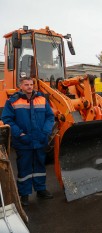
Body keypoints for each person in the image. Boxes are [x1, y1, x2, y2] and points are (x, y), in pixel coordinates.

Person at [1, 75, 55, 206]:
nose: (29, 87)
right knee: (24, 168)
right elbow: (7, 119)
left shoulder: (42, 99)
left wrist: (45, 132)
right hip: (23, 141)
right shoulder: (12, 101)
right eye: (26, 84)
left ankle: (41, 190)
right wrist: (20, 134)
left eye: (31, 84)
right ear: (21, 86)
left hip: (40, 140)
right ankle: (24, 194)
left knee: (40, 166)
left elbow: (50, 116)